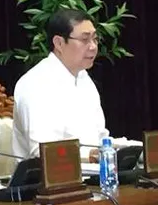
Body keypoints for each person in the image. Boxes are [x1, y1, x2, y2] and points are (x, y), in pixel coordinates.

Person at [12, 8, 107, 160]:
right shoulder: (35, 84)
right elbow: (42, 151)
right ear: (59, 43)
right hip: (49, 174)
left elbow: (100, 138)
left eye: (95, 39)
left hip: (92, 171)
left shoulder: (84, 79)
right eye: (85, 40)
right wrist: (91, 155)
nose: (93, 47)